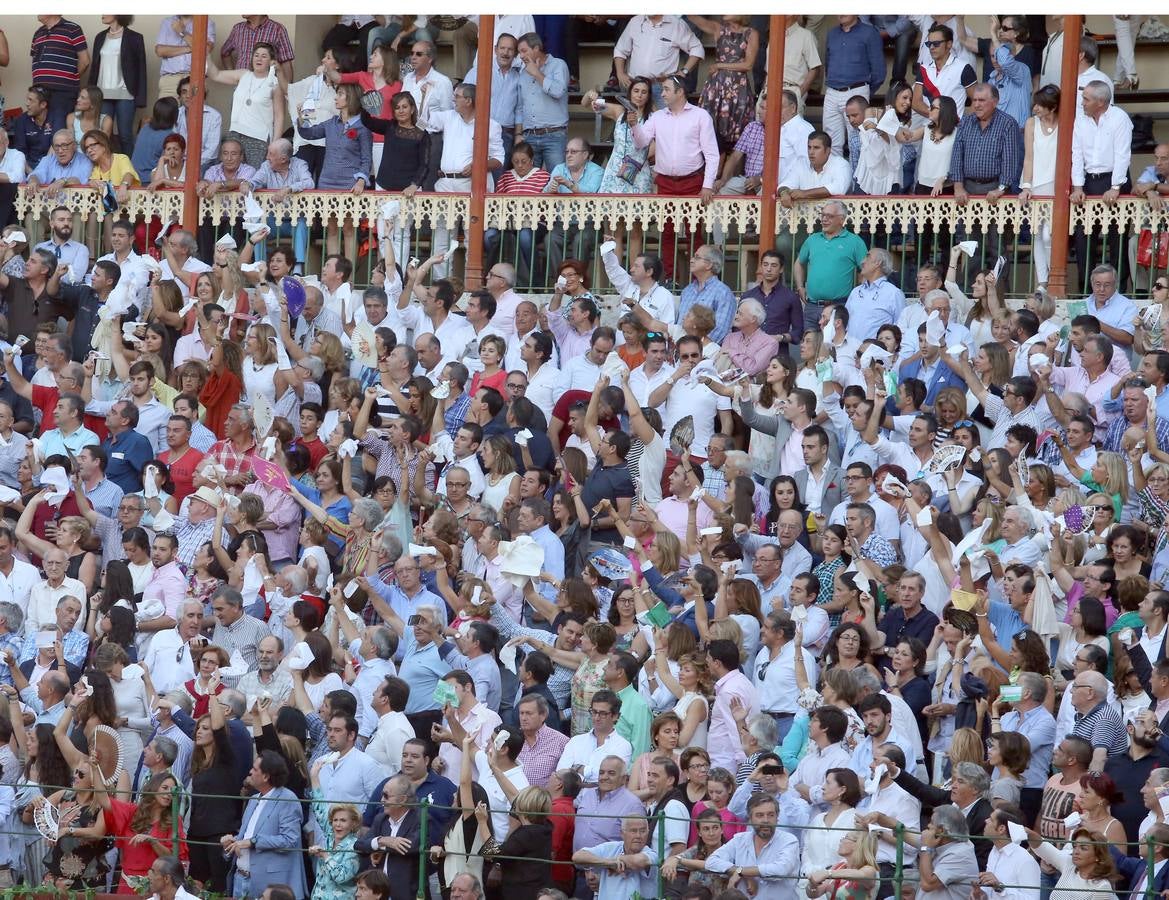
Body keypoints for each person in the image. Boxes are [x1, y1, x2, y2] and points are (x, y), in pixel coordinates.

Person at [630, 75, 719, 281]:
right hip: (666, 181)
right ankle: (669, 278)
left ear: (680, 92)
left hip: (693, 181)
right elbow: (641, 143)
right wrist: (634, 125)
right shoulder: (657, 116)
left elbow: (712, 154)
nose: (662, 94)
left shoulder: (700, 116)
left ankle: (698, 279)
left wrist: (707, 185)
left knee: (694, 231)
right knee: (667, 232)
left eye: (666, 89)